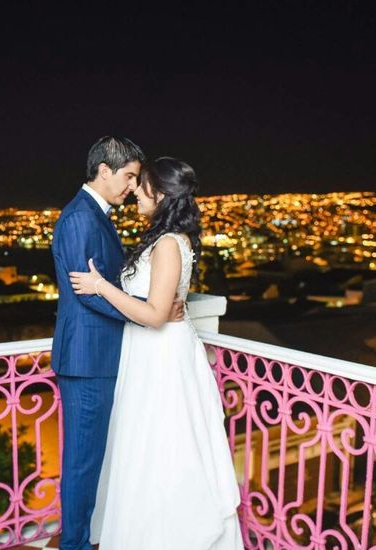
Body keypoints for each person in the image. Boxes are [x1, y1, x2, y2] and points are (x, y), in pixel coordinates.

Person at [69, 157, 244, 550]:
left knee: (162, 450)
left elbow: (154, 314)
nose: (134, 191)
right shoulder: (165, 238)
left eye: (141, 185)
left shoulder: (167, 243)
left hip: (160, 356)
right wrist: (158, 306)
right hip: (152, 353)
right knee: (148, 449)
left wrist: (101, 286)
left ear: (160, 194)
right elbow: (159, 307)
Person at [50, 137, 185, 550]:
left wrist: (152, 307)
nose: (132, 185)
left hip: (104, 358)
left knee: (98, 460)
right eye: (128, 176)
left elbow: (105, 285)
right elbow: (87, 293)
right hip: (88, 361)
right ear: (103, 170)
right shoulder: (79, 219)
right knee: (83, 463)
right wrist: (150, 312)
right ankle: (74, 545)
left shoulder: (97, 215)